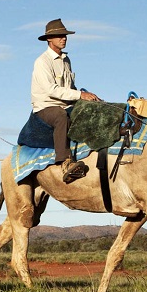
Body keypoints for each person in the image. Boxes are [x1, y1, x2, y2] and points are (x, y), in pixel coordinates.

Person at [31, 18, 102, 183]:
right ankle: (65, 161)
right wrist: (79, 96)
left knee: (95, 109)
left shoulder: (66, 60)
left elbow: (70, 87)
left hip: (66, 103)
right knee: (61, 117)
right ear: (49, 39)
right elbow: (51, 90)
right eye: (59, 36)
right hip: (46, 106)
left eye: (65, 35)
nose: (64, 38)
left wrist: (86, 96)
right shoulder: (42, 62)